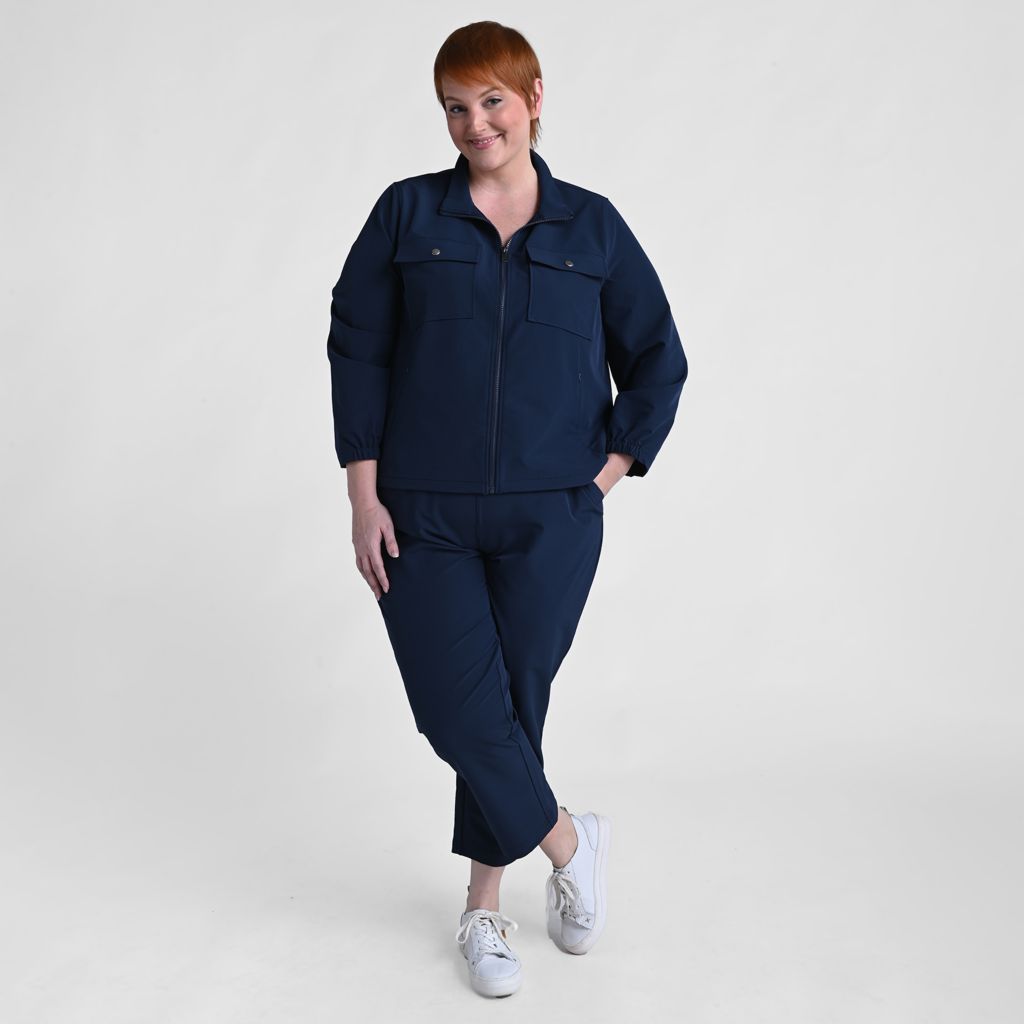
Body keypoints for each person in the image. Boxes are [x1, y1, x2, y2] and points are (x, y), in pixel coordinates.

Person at [326, 21, 688, 998]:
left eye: (491, 100)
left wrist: (600, 478)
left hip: (549, 517)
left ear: (533, 98)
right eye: (455, 106)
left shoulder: (592, 227)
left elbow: (658, 356)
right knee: (456, 708)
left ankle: (483, 908)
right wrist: (363, 493)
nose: (474, 122)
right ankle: (570, 842)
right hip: (422, 511)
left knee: (511, 707)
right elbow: (357, 346)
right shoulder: (408, 214)